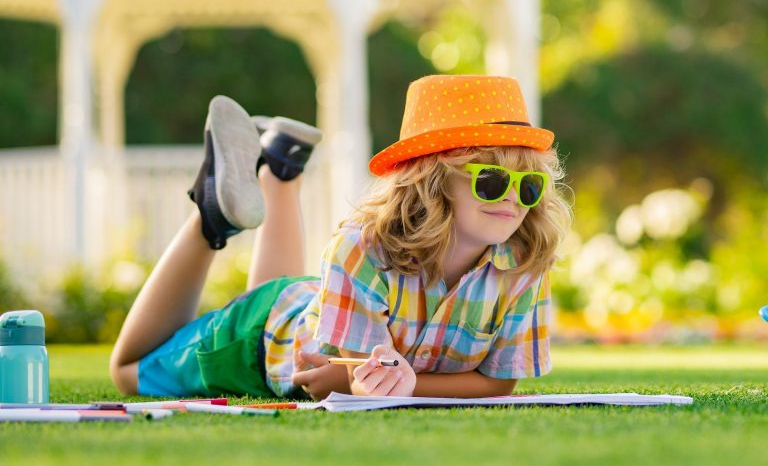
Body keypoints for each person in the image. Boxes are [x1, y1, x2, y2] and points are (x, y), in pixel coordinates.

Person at [109, 75, 570, 400]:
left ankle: (280, 166)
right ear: (431, 179)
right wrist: (363, 381)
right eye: (491, 180)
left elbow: (497, 381)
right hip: (260, 338)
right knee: (128, 372)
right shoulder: (363, 247)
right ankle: (210, 218)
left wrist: (402, 385)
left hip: (306, 303)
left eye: (529, 186)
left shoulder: (524, 263)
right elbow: (366, 377)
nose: (513, 200)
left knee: (281, 288)